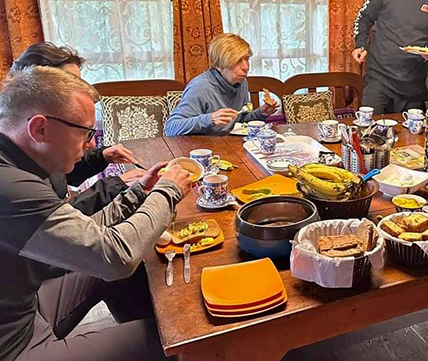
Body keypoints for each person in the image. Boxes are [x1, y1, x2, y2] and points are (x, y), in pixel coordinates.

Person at [0, 66, 192, 361]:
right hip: (16, 346)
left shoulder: (16, 164)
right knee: (183, 339)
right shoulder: (11, 186)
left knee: (135, 273)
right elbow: (115, 257)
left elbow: (87, 234)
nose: (92, 144)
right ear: (39, 128)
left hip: (28, 310)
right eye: (85, 132)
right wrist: (167, 191)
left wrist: (137, 192)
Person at [10, 43, 144, 212]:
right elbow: (61, 221)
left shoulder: (36, 142)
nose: (80, 91)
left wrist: (100, 157)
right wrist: (117, 184)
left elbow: (64, 176)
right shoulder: (15, 177)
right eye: (69, 84)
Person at [164, 33, 278, 136]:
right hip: (202, 150)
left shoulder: (241, 82)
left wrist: (261, 113)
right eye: (238, 61)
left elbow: (240, 121)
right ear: (219, 65)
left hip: (229, 146)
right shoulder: (200, 87)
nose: (246, 67)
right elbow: (171, 128)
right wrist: (210, 119)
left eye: (247, 59)